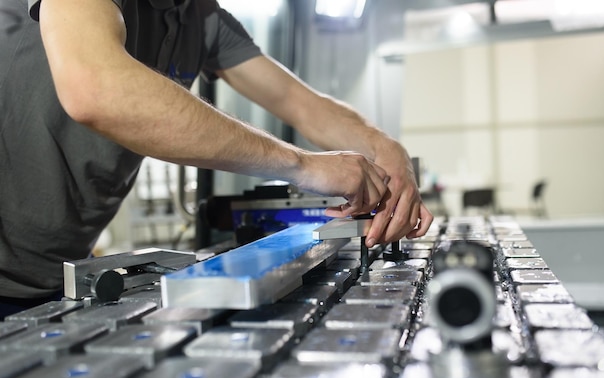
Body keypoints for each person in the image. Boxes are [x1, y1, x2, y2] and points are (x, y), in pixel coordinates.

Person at [0, 0, 433, 317]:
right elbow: (96, 89)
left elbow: (299, 103)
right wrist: (305, 165)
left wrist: (386, 149)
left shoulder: (199, 17)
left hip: (52, 277)